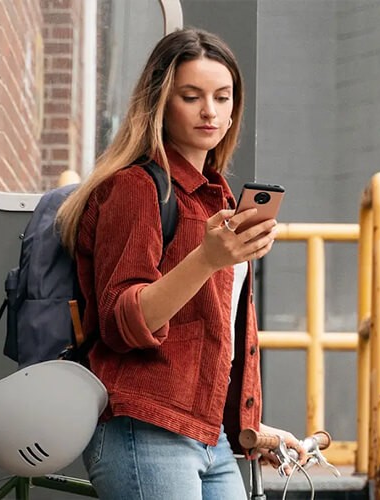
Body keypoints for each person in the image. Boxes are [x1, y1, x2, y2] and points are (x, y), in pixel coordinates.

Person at [56, 28, 306, 499]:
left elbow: (208, 336)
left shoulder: (219, 197)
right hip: (143, 427)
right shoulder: (136, 188)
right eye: (191, 97)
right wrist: (207, 259)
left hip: (209, 437)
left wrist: (251, 425)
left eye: (222, 97)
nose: (210, 111)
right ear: (160, 104)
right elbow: (124, 322)